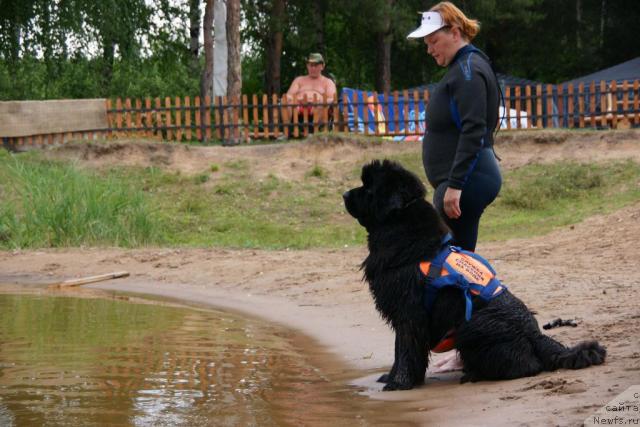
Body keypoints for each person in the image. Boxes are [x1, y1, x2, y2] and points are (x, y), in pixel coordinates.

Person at [407, 2, 502, 373]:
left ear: (455, 33)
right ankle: (466, 344)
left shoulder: (467, 70)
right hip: (463, 179)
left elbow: (475, 129)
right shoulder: (463, 67)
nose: (430, 49)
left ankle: (467, 347)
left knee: (454, 267)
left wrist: (455, 186)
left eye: (433, 40)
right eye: (426, 42)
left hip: (468, 180)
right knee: (457, 263)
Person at [284, 53, 337, 132]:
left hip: (318, 107)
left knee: (324, 103)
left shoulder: (328, 82)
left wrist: (317, 102)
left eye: (316, 65)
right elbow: (289, 95)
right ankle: (288, 129)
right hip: (298, 106)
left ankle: (315, 129)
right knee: (285, 101)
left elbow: (331, 98)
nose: (313, 68)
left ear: (322, 66)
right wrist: (299, 101)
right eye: (310, 65)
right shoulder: (299, 80)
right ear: (307, 66)